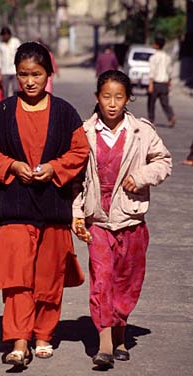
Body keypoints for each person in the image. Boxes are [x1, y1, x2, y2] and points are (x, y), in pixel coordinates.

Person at [0, 41, 89, 367]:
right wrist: (11, 166)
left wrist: (54, 169)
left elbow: (80, 150)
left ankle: (44, 334)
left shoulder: (64, 113)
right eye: (23, 75)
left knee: (49, 278)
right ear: (16, 75)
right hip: (16, 209)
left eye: (36, 74)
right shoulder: (2, 112)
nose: (30, 81)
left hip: (53, 209)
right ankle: (19, 341)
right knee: (17, 279)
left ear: (48, 74)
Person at [72, 70, 172, 370]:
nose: (112, 104)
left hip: (131, 218)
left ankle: (120, 333)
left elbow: (163, 161)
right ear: (97, 99)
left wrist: (141, 177)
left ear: (128, 98)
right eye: (106, 97)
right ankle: (104, 344)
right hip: (98, 219)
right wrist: (77, 214)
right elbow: (76, 179)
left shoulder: (142, 132)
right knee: (102, 279)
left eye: (118, 97)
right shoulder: (85, 132)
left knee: (127, 281)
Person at [148, 36, 176, 127]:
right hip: (164, 83)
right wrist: (169, 81)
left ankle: (151, 120)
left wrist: (150, 84)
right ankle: (171, 117)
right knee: (165, 103)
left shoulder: (153, 57)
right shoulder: (167, 57)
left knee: (151, 102)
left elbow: (152, 71)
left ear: (156, 45)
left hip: (156, 83)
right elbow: (170, 71)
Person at [0, 26, 21, 98]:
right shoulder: (0, 44)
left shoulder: (15, 42)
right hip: (4, 71)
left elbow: (20, 55)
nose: (5, 36)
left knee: (15, 89)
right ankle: (6, 107)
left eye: (6, 34)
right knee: (5, 90)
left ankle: (15, 105)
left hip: (15, 70)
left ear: (9, 34)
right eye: (4, 35)